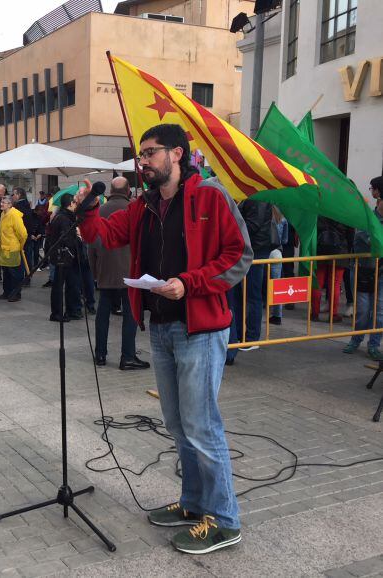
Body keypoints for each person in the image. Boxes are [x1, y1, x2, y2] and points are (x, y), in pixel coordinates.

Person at [74, 123, 252, 554]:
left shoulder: (209, 195)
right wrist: (86, 210)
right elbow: (104, 236)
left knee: (201, 425)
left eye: (151, 152)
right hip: (160, 326)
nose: (144, 160)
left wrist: (189, 284)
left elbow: (240, 255)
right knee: (176, 423)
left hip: (200, 328)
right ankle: (193, 503)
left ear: (177, 154)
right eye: (142, 154)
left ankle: (225, 520)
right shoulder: (143, 205)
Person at [89, 177, 149, 370]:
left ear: (111, 189)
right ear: (128, 191)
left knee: (103, 313)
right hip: (131, 270)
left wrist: (94, 270)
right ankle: (128, 356)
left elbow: (91, 242)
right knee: (130, 314)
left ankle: (100, 354)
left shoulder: (100, 210)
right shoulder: (135, 209)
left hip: (105, 269)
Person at [343, 191, 383, 360]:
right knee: (363, 310)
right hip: (363, 271)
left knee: (380, 312)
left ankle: (374, 345)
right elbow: (363, 241)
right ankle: (356, 339)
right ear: (380, 201)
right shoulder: (367, 219)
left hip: (381, 274)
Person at [231, 198, 273, 350]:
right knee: (239, 294)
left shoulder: (257, 197)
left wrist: (231, 233)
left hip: (255, 249)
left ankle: (251, 337)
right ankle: (240, 335)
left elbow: (253, 224)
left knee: (251, 295)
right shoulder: (249, 195)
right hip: (247, 249)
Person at [45, 194, 83, 321]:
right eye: (75, 203)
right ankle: (57, 313)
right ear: (71, 204)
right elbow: (66, 239)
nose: (77, 205)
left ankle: (71, 311)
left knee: (71, 284)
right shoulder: (64, 218)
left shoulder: (63, 216)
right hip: (64, 257)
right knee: (59, 286)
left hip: (66, 257)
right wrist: (78, 237)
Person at [311, 216, 354, 323]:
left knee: (318, 282)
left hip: (321, 249)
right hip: (339, 251)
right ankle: (333, 314)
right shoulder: (344, 210)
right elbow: (351, 235)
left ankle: (314, 313)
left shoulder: (321, 207)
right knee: (335, 284)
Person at [0, 195, 27, 302]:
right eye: (1, 202)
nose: (1, 204)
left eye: (4, 202)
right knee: (6, 272)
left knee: (15, 273)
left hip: (13, 248)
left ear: (10, 204)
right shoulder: (2, 214)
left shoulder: (14, 215)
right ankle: (7, 292)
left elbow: (23, 234)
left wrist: (20, 246)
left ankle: (16, 293)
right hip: (3, 249)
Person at [267, 208, 289, 326]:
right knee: (277, 287)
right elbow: (285, 240)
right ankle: (277, 315)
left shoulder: (266, 218)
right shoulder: (283, 219)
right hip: (277, 253)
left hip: (265, 252)